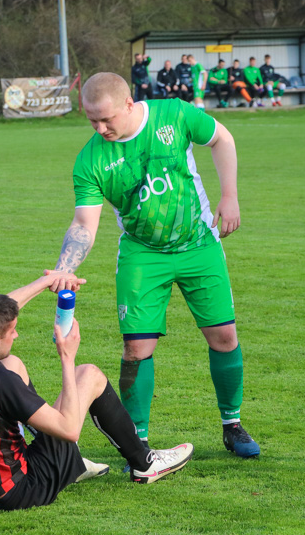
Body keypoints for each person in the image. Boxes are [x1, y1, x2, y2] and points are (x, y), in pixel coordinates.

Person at [50, 72, 260, 460]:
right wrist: (65, 265)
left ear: (129, 104)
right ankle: (136, 439)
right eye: (91, 120)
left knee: (224, 337)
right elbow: (84, 224)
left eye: (106, 119)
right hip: (142, 254)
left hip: (199, 244)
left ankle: (232, 425)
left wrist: (229, 196)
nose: (100, 128)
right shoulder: (90, 160)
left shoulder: (174, 115)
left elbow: (222, 138)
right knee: (136, 348)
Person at [0, 273, 195, 510]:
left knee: (13, 363)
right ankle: (144, 463)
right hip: (14, 492)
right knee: (88, 374)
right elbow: (70, 430)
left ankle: (71, 462)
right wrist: (67, 357)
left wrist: (46, 281)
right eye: (12, 331)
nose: (17, 335)